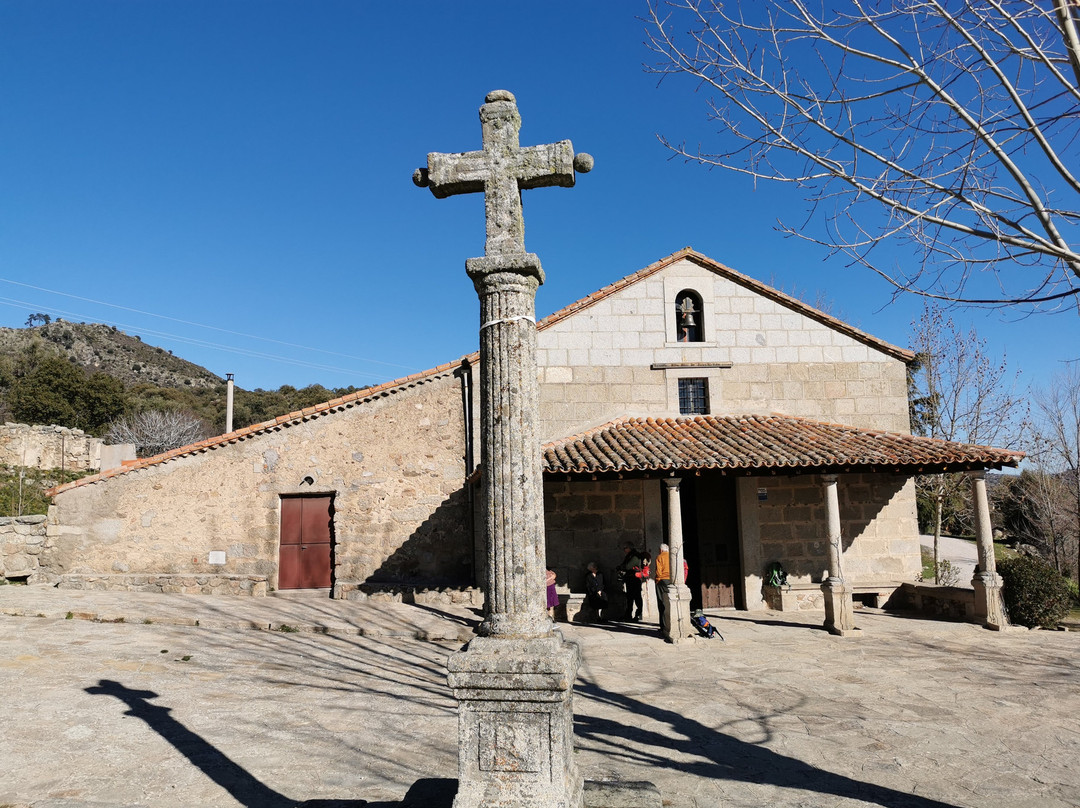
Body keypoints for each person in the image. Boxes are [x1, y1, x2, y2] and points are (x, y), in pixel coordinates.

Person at [616, 542, 645, 621]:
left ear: (629, 548)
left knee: (637, 597)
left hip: (635, 579)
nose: (624, 549)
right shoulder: (629, 555)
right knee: (629, 598)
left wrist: (621, 567)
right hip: (630, 579)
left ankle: (638, 615)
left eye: (625, 548)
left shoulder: (635, 556)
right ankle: (628, 615)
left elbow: (628, 566)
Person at [654, 543, 671, 632]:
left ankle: (663, 626)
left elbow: (658, 571)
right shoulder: (671, 556)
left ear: (661, 550)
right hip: (671, 581)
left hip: (662, 580)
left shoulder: (660, 557)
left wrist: (657, 580)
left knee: (661, 603)